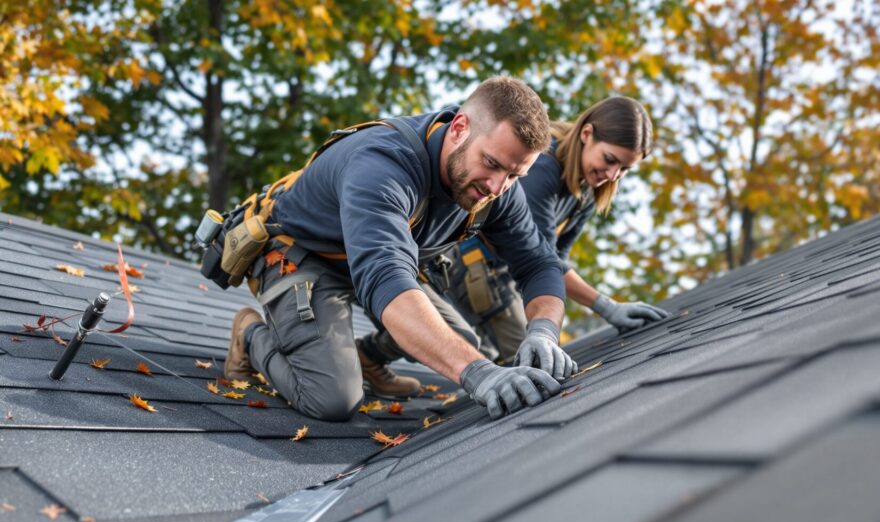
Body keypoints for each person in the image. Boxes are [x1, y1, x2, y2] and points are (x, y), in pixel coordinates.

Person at [221, 76, 577, 422]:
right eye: (492, 164)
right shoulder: (382, 165)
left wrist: (544, 331)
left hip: (371, 263)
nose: (497, 187)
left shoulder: (496, 187)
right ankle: (251, 335)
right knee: (332, 400)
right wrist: (478, 373)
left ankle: (368, 359)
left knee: (459, 340)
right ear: (459, 128)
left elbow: (539, 264)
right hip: (304, 257)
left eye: (515, 176)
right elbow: (385, 277)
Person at [390, 96, 669, 363]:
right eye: (610, 159)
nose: (612, 175)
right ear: (586, 134)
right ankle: (376, 351)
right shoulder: (543, 167)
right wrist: (605, 306)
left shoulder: (586, 189)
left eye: (624, 169)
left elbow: (557, 260)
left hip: (509, 277)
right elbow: (542, 257)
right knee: (525, 357)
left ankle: (376, 351)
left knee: (521, 344)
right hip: (474, 266)